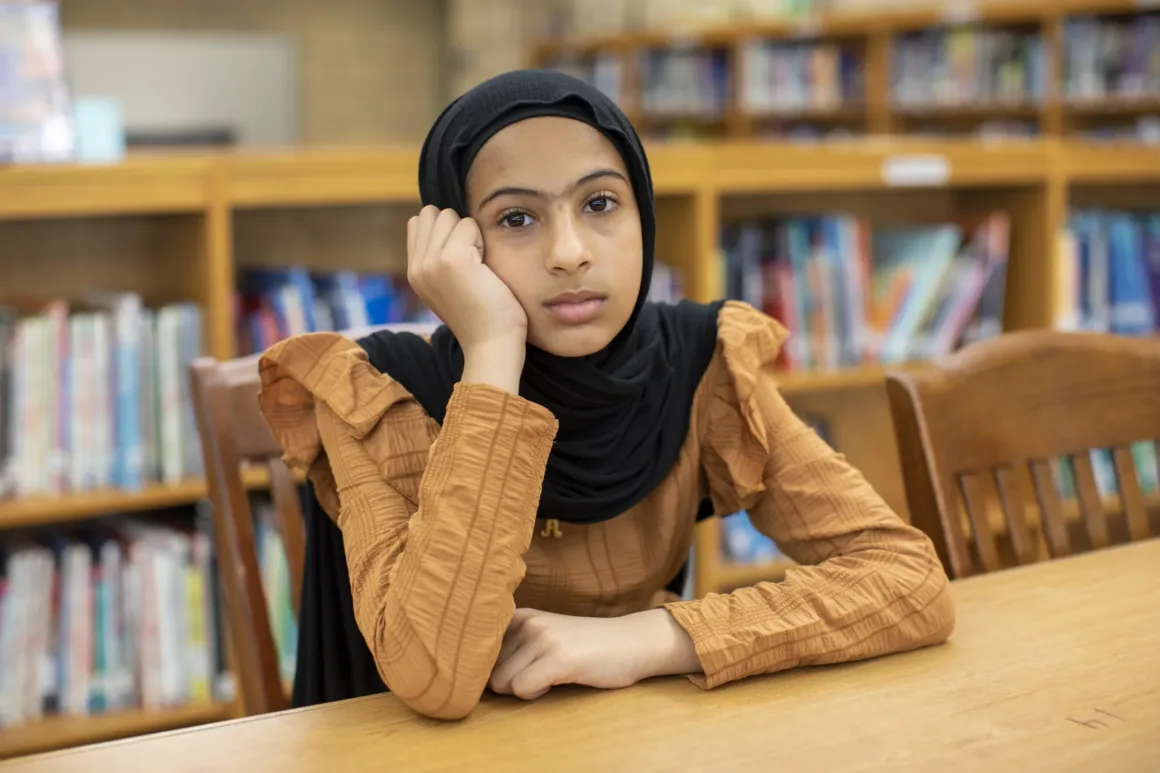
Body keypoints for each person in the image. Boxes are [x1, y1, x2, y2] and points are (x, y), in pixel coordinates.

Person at [257, 69, 955, 721]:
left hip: (624, 738)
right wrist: (492, 352)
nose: (570, 252)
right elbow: (435, 673)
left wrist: (649, 640)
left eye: (600, 204)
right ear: (454, 249)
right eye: (516, 219)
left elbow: (908, 581)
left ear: (643, 215)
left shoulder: (698, 364)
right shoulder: (382, 394)